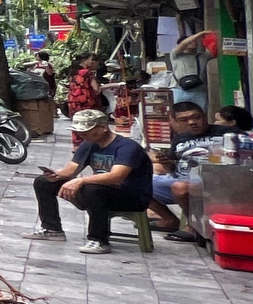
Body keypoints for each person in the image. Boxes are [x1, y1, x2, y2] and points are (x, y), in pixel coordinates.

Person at [27, 108, 154, 253]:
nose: (82, 134)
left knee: (92, 189)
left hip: (131, 195)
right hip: (100, 191)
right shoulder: (89, 143)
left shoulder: (127, 147)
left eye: (86, 130)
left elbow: (116, 176)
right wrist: (56, 175)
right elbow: (71, 170)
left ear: (103, 128)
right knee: (43, 182)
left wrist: (81, 181)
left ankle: (99, 239)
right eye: (80, 131)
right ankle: (51, 228)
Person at [147, 100, 214, 240]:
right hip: (180, 178)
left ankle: (192, 226)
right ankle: (169, 220)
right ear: (175, 121)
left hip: (212, 182)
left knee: (181, 187)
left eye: (196, 117)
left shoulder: (224, 133)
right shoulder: (180, 139)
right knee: (136, 183)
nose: (191, 122)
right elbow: (173, 169)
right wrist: (166, 163)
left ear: (204, 116)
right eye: (184, 119)